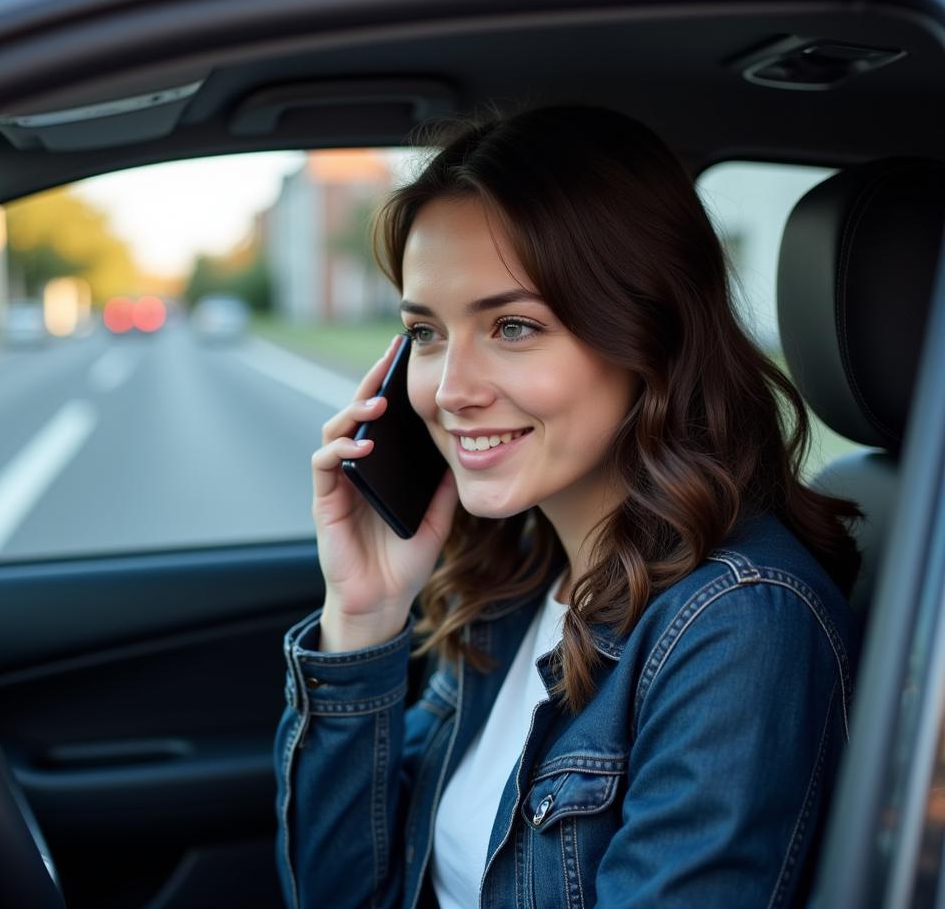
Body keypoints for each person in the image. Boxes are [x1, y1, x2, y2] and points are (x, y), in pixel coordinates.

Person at [274, 105, 860, 909]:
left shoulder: (739, 625)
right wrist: (363, 613)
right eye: (427, 332)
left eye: (512, 326)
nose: (450, 393)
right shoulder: (515, 579)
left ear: (647, 335)